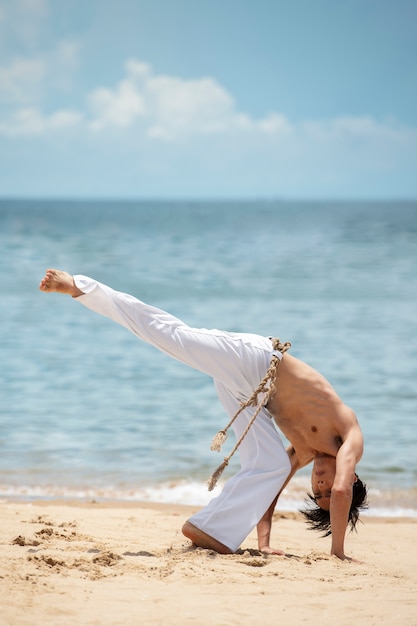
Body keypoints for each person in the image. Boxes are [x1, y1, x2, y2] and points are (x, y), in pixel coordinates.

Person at [39, 269, 368, 561]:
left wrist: (264, 543)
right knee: (171, 335)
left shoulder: (306, 453)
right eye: (328, 490)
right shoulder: (348, 435)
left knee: (270, 466)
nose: (323, 485)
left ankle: (210, 529)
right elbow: (342, 493)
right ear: (351, 478)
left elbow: (271, 491)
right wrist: (337, 552)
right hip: (253, 360)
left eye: (318, 492)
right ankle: (79, 286)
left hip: (246, 392)